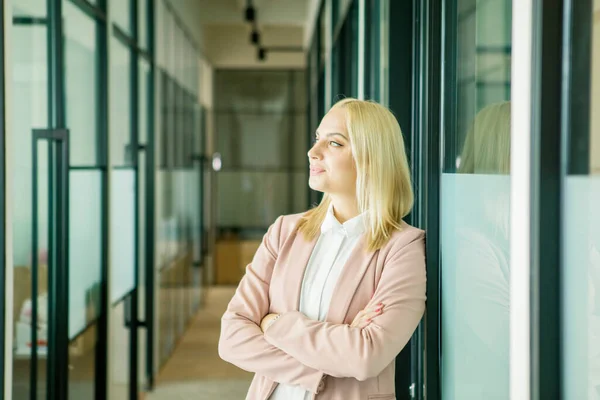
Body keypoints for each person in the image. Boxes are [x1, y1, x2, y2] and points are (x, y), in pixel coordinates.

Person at [218, 98, 426, 400]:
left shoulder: (403, 247)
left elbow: (365, 356)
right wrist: (321, 367)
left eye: (335, 143)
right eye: (318, 139)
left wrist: (273, 323)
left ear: (371, 158)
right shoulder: (284, 232)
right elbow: (232, 338)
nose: (313, 153)